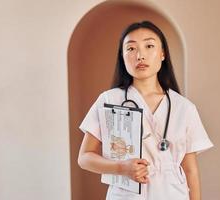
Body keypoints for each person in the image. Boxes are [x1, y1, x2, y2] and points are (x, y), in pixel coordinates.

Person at [78, 21, 213, 200]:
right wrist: (122, 168)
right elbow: (84, 158)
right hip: (126, 194)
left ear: (163, 53)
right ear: (122, 56)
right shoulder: (109, 100)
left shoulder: (184, 107)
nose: (140, 55)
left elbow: (190, 170)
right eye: (131, 49)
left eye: (149, 46)